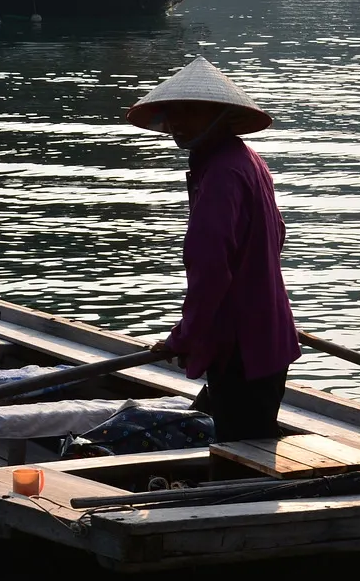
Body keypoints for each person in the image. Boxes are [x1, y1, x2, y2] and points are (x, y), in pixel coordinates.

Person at [126, 56, 300, 441]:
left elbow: (210, 270)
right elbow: (277, 236)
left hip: (242, 345)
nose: (177, 124)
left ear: (219, 115)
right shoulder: (244, 160)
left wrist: (184, 337)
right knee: (250, 436)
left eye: (191, 112)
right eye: (174, 113)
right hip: (266, 334)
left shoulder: (222, 173)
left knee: (240, 451)